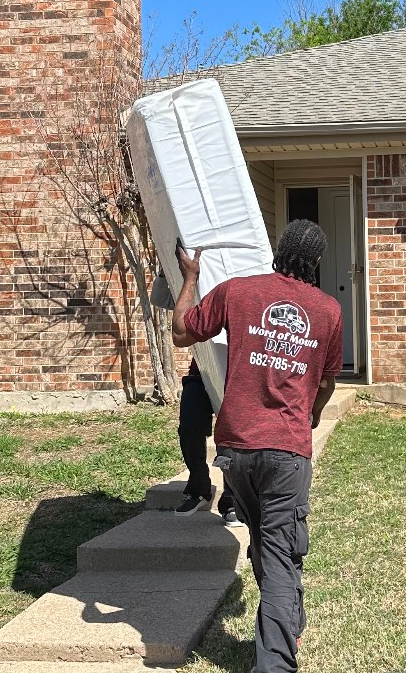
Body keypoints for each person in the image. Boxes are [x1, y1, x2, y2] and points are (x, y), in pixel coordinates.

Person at [171, 219, 341, 673]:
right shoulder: (327, 311)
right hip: (287, 451)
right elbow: (325, 381)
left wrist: (189, 278)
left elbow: (181, 331)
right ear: (317, 263)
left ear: (279, 251)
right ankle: (276, 665)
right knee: (281, 551)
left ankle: (290, 620)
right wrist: (313, 413)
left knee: (268, 541)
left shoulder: (237, 291)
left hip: (238, 449)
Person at [148, 270, 241, 525]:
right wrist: (167, 271)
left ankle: (232, 501)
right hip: (203, 366)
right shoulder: (196, 277)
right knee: (190, 426)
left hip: (238, 368)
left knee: (230, 437)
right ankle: (199, 486)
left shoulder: (245, 271)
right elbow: (161, 300)